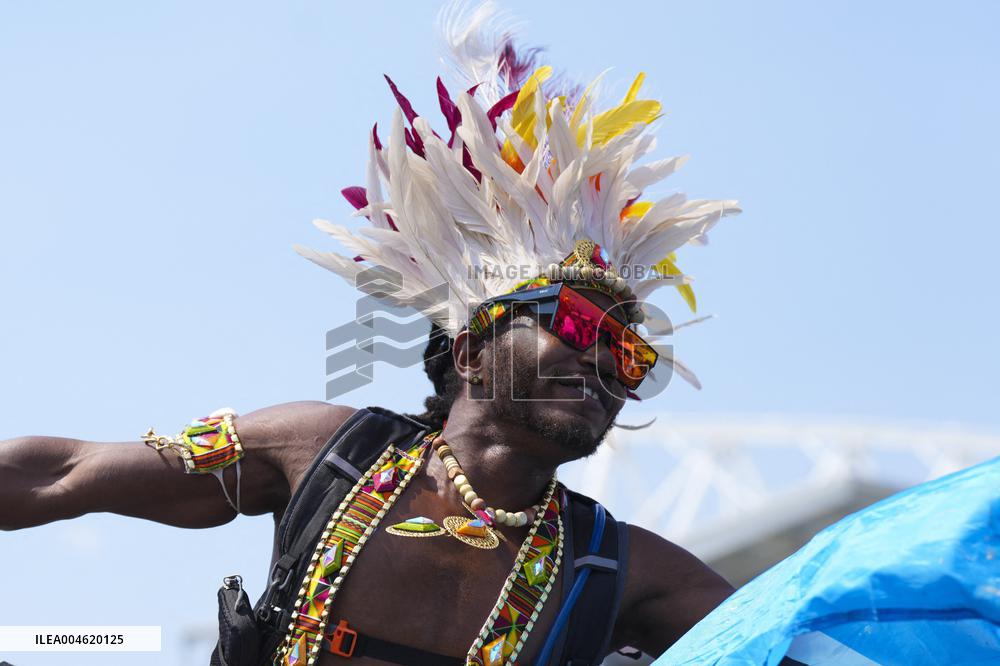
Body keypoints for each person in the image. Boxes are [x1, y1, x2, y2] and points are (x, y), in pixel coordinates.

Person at [0, 3, 774, 664]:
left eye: (630, 354)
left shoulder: (620, 565)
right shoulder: (324, 453)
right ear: (471, 348)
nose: (605, 363)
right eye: (577, 325)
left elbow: (805, 634)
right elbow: (62, 475)